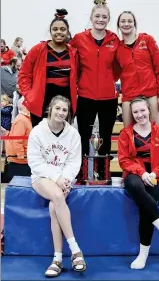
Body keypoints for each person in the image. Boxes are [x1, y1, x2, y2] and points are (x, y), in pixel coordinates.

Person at [27, 95, 86, 277]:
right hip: (42, 177)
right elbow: (35, 162)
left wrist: (64, 178)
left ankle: (57, 259)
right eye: (58, 108)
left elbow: (74, 162)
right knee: (58, 197)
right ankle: (76, 251)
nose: (61, 113)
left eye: (65, 110)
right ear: (50, 109)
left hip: (65, 179)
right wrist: (56, 177)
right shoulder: (37, 132)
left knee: (55, 207)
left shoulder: (73, 134)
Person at [118, 96, 159, 269]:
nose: (139, 114)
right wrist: (141, 172)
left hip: (158, 177)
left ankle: (142, 255)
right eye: (135, 112)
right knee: (134, 185)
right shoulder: (126, 133)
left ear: (149, 110)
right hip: (136, 174)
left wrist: (154, 173)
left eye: (142, 110)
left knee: (146, 208)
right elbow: (124, 160)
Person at [70, 0, 120, 179]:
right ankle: (84, 173)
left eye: (104, 17)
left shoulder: (114, 39)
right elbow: (73, 64)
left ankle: (102, 172)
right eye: (97, 16)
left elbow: (118, 66)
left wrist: (109, 80)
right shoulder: (79, 39)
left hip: (108, 97)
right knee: (84, 135)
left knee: (106, 136)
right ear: (91, 18)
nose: (100, 19)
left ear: (108, 19)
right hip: (85, 95)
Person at [18, 9, 78, 128]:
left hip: (66, 101)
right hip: (41, 100)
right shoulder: (38, 49)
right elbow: (24, 74)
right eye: (55, 29)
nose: (59, 32)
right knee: (42, 137)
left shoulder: (73, 52)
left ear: (67, 32)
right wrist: (29, 96)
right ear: (50, 31)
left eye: (62, 29)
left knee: (62, 137)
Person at [116, 11, 159, 127]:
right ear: (118, 25)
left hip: (150, 93)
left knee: (154, 132)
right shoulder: (117, 48)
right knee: (129, 133)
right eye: (123, 21)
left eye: (130, 21)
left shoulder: (147, 40)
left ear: (134, 23)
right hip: (129, 94)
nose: (126, 24)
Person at [4, 97, 32, 183]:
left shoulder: (24, 119)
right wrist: (21, 155)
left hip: (22, 160)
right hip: (20, 161)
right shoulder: (22, 120)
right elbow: (17, 140)